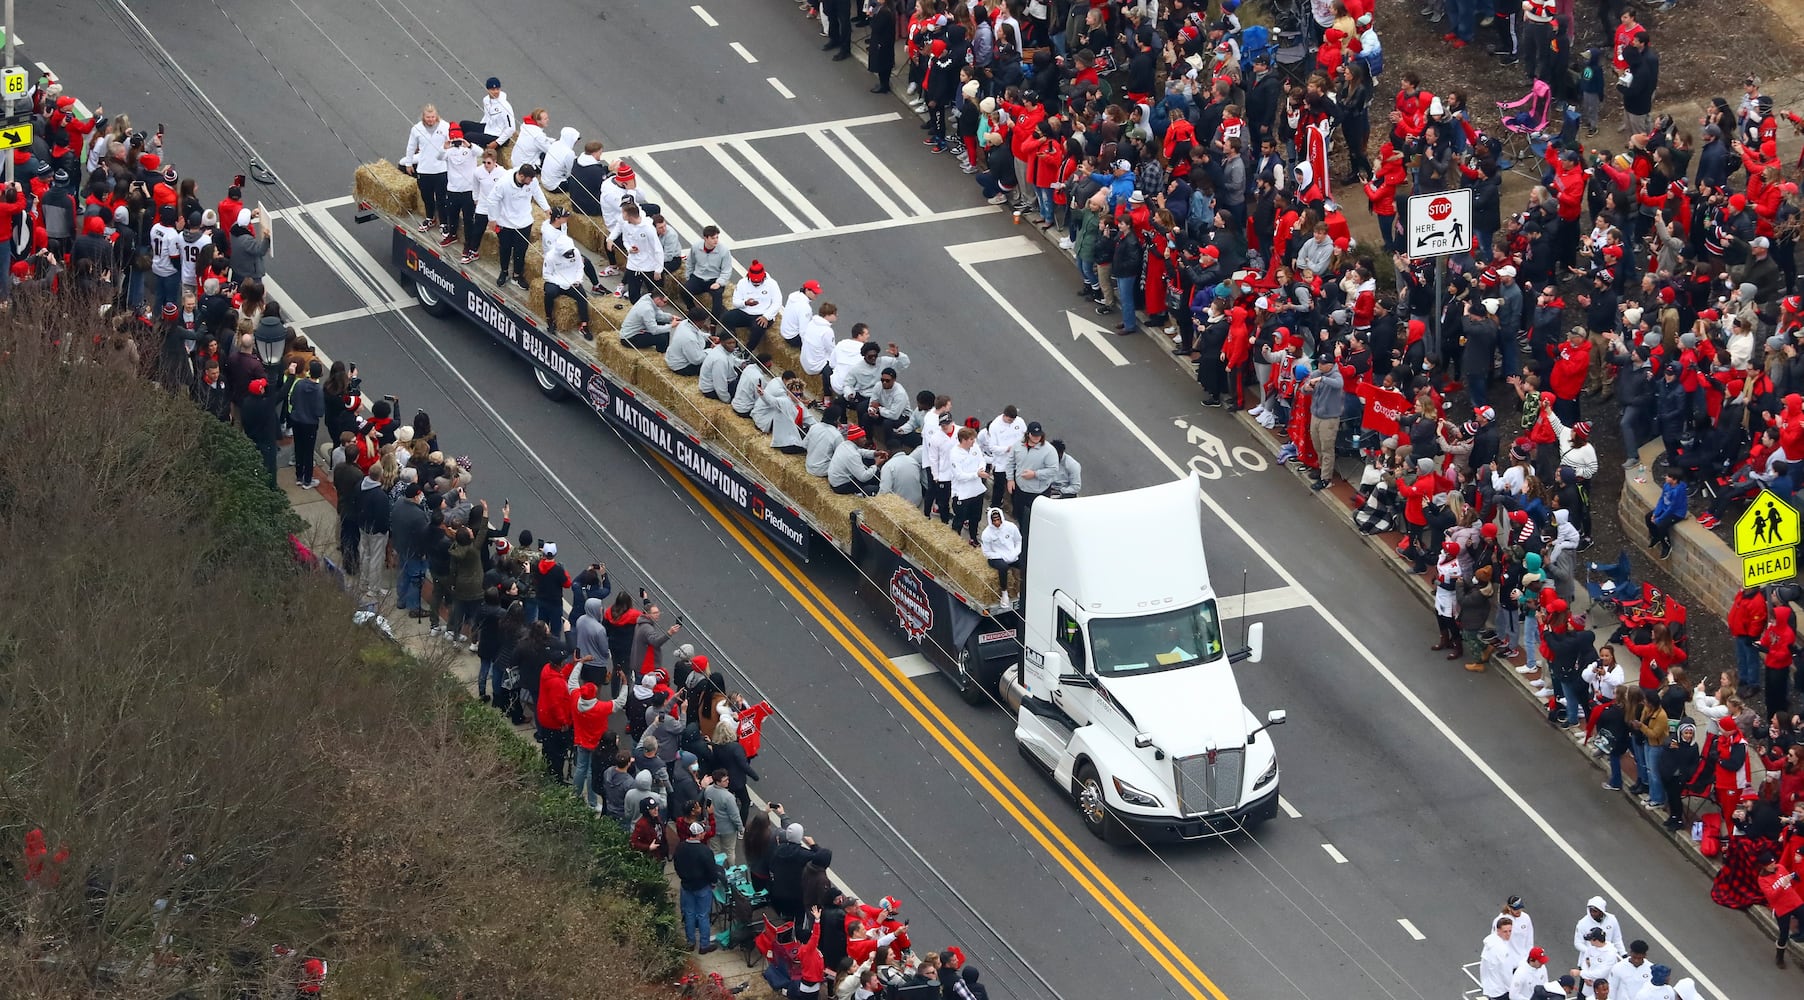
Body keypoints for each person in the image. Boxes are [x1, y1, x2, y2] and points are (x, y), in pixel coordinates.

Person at [477, 163, 549, 289]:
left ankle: (517, 275)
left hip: (524, 222)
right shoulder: (504, 183)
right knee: (505, 249)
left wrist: (546, 208)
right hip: (506, 223)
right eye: (529, 179)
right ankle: (504, 272)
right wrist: (492, 219)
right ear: (521, 176)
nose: (532, 181)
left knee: (520, 251)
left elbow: (537, 193)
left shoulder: (531, 182)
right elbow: (492, 200)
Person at [540, 206, 590, 339]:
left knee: (582, 296)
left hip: (571, 282)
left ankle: (584, 324)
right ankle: (549, 318)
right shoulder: (551, 256)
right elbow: (546, 275)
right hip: (557, 281)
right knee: (549, 293)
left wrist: (578, 280)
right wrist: (561, 283)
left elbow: (580, 267)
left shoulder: (575, 252)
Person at [399, 104, 450, 234]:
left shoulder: (445, 126)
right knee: (427, 197)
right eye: (428, 117)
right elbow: (411, 147)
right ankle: (430, 218)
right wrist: (409, 163)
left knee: (441, 199)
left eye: (433, 117)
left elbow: (451, 145)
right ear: (424, 116)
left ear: (436, 115)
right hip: (424, 170)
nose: (430, 120)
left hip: (441, 170)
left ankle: (443, 223)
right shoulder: (417, 129)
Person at [673, 820, 721, 953]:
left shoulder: (680, 848)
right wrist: (713, 882)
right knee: (703, 915)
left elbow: (676, 865)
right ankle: (704, 945)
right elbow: (712, 870)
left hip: (686, 886)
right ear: (699, 834)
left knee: (689, 914)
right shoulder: (705, 851)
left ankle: (690, 942)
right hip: (702, 887)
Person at [1759, 850, 1803, 967]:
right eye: (1770, 865)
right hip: (1782, 908)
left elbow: (1790, 879)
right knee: (1783, 934)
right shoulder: (1762, 880)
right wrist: (1781, 886)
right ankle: (1780, 956)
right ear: (1765, 866)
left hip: (1794, 901)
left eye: (1774, 863)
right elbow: (1771, 896)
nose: (1774, 866)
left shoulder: (1780, 867)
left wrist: (1792, 877)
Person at [683, 225, 733, 315]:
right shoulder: (696, 247)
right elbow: (690, 263)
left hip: (714, 279)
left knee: (717, 297)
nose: (716, 240)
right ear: (705, 238)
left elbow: (727, 270)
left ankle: (713, 323)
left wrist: (719, 283)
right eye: (713, 238)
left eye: (717, 237)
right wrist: (689, 277)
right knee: (684, 290)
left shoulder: (724, 251)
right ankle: (692, 310)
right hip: (698, 277)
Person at [980, 507, 1022, 604]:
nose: (997, 522)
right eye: (994, 520)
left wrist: (1015, 553)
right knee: (1003, 567)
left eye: (998, 519)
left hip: (1012, 554)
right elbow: (987, 552)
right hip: (996, 557)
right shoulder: (986, 533)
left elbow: (1019, 541)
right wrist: (1002, 557)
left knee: (1024, 565)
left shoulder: (1011, 527)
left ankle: (1020, 589)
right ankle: (1004, 592)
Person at [1645, 470, 1686, 559]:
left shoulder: (1678, 491)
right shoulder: (1666, 485)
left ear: (1674, 480)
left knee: (1661, 525)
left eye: (1668, 477)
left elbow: (1672, 508)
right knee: (1648, 517)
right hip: (1665, 509)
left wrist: (1659, 519)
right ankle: (1656, 537)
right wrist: (1655, 514)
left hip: (1676, 513)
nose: (1666, 477)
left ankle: (1666, 545)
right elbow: (1662, 500)